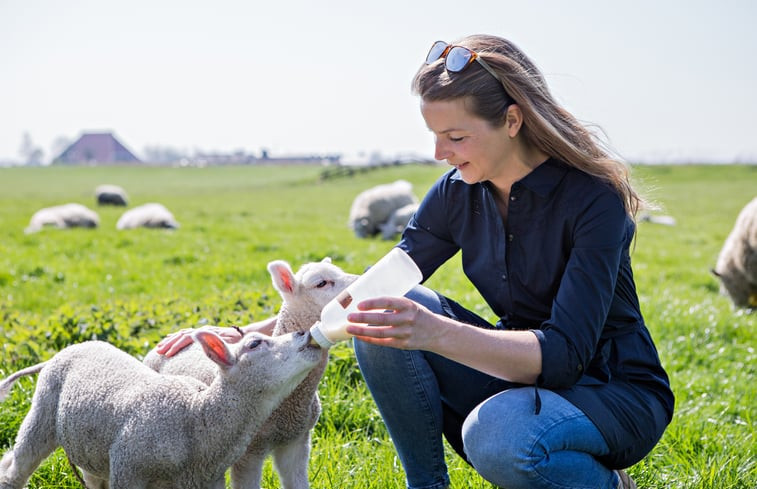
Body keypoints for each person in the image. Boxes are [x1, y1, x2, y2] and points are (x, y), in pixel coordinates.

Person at [157, 34, 673, 489]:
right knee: (380, 308)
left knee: (496, 438)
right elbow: (370, 288)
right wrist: (244, 334)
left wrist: (435, 333)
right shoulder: (457, 192)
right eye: (433, 135)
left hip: (612, 392)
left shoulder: (592, 200)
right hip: (520, 378)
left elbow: (565, 355)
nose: (437, 153)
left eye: (455, 137)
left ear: (512, 120)